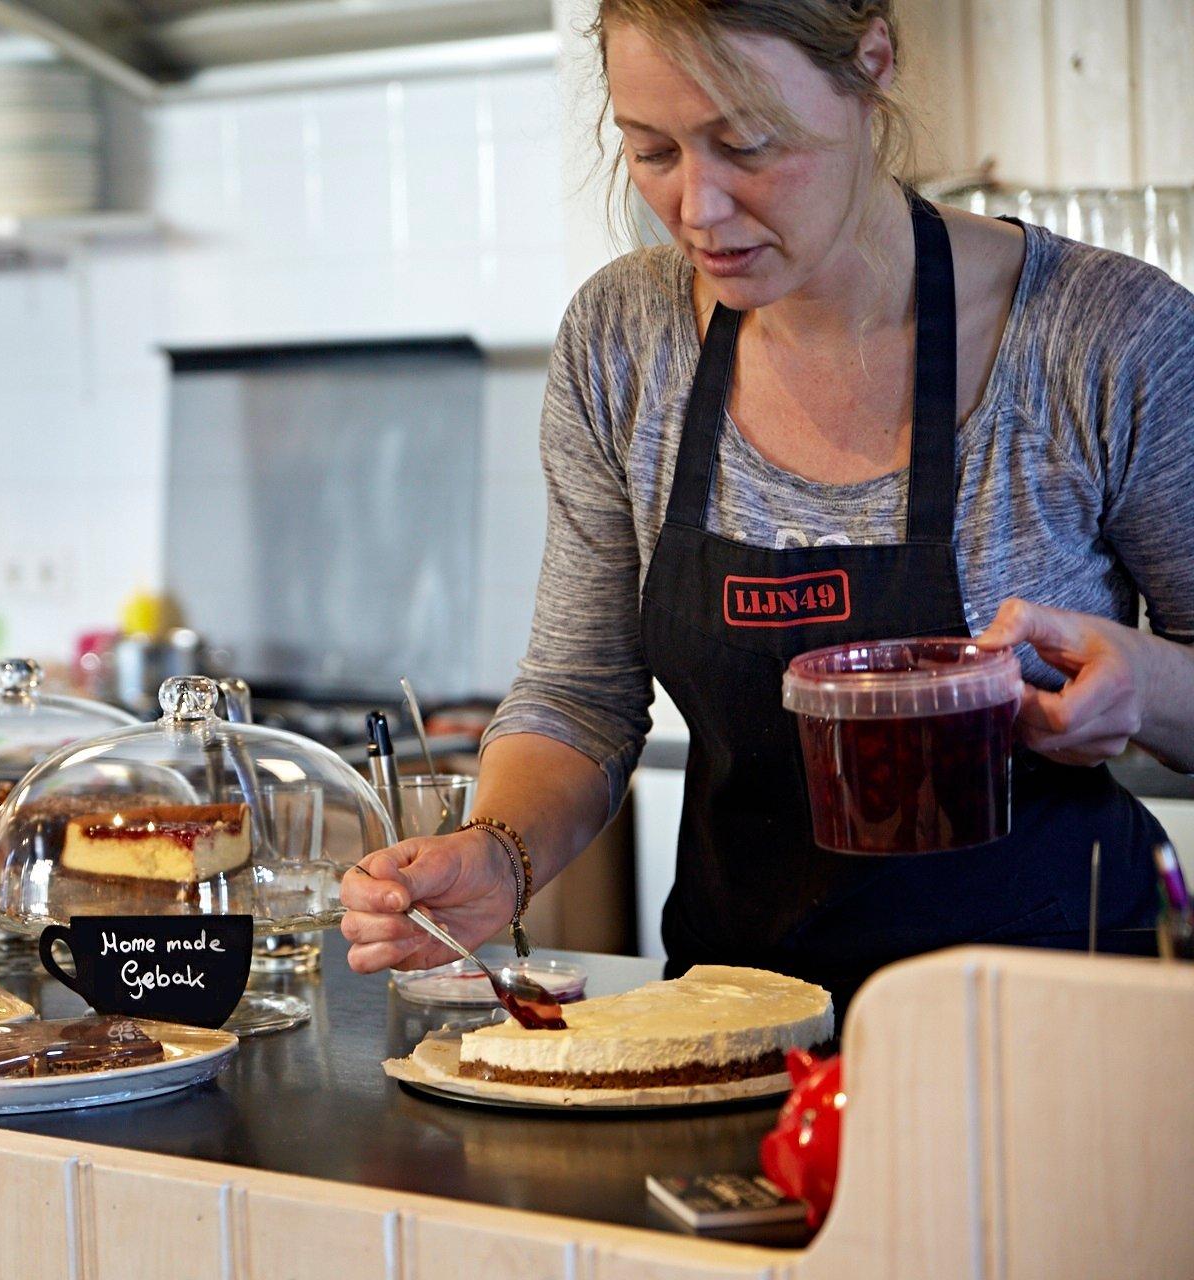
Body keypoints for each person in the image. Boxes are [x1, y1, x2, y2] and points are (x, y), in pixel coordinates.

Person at [341, 0, 1194, 1002]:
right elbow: (579, 693)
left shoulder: (1105, 338)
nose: (699, 206)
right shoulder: (625, 340)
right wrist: (499, 853)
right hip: (734, 1025)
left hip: (1052, 1021)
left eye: (746, 144)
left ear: (870, 62)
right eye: (651, 150)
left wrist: (1142, 682)